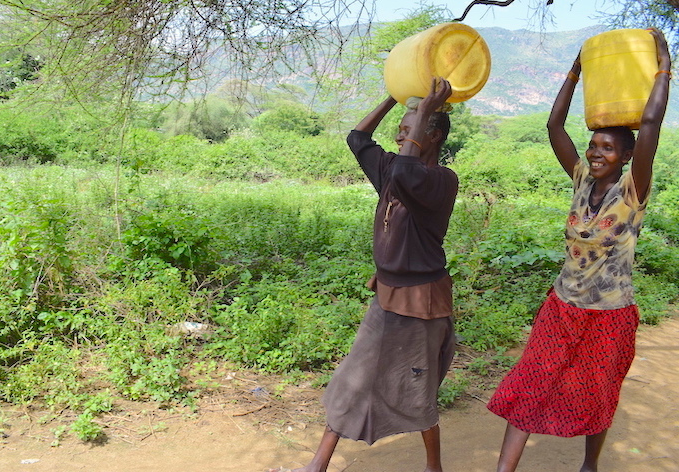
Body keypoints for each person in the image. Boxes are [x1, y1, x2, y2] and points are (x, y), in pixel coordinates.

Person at [486, 28, 672, 472]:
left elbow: (649, 124)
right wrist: (574, 70)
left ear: (627, 156)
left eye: (608, 148)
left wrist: (664, 64)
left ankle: (589, 466)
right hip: (563, 305)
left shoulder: (633, 191)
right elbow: (553, 125)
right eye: (594, 145)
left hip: (609, 313)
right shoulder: (581, 179)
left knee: (598, 391)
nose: (595, 153)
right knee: (532, 381)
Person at [269, 76, 459, 472]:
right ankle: (317, 465)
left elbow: (410, 173)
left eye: (411, 131)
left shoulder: (441, 181)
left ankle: (434, 468)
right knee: (352, 378)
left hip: (420, 305)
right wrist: (395, 94)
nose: (400, 136)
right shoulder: (393, 169)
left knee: (417, 391)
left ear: (435, 136)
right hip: (387, 297)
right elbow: (358, 139)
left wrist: (425, 108)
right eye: (400, 130)